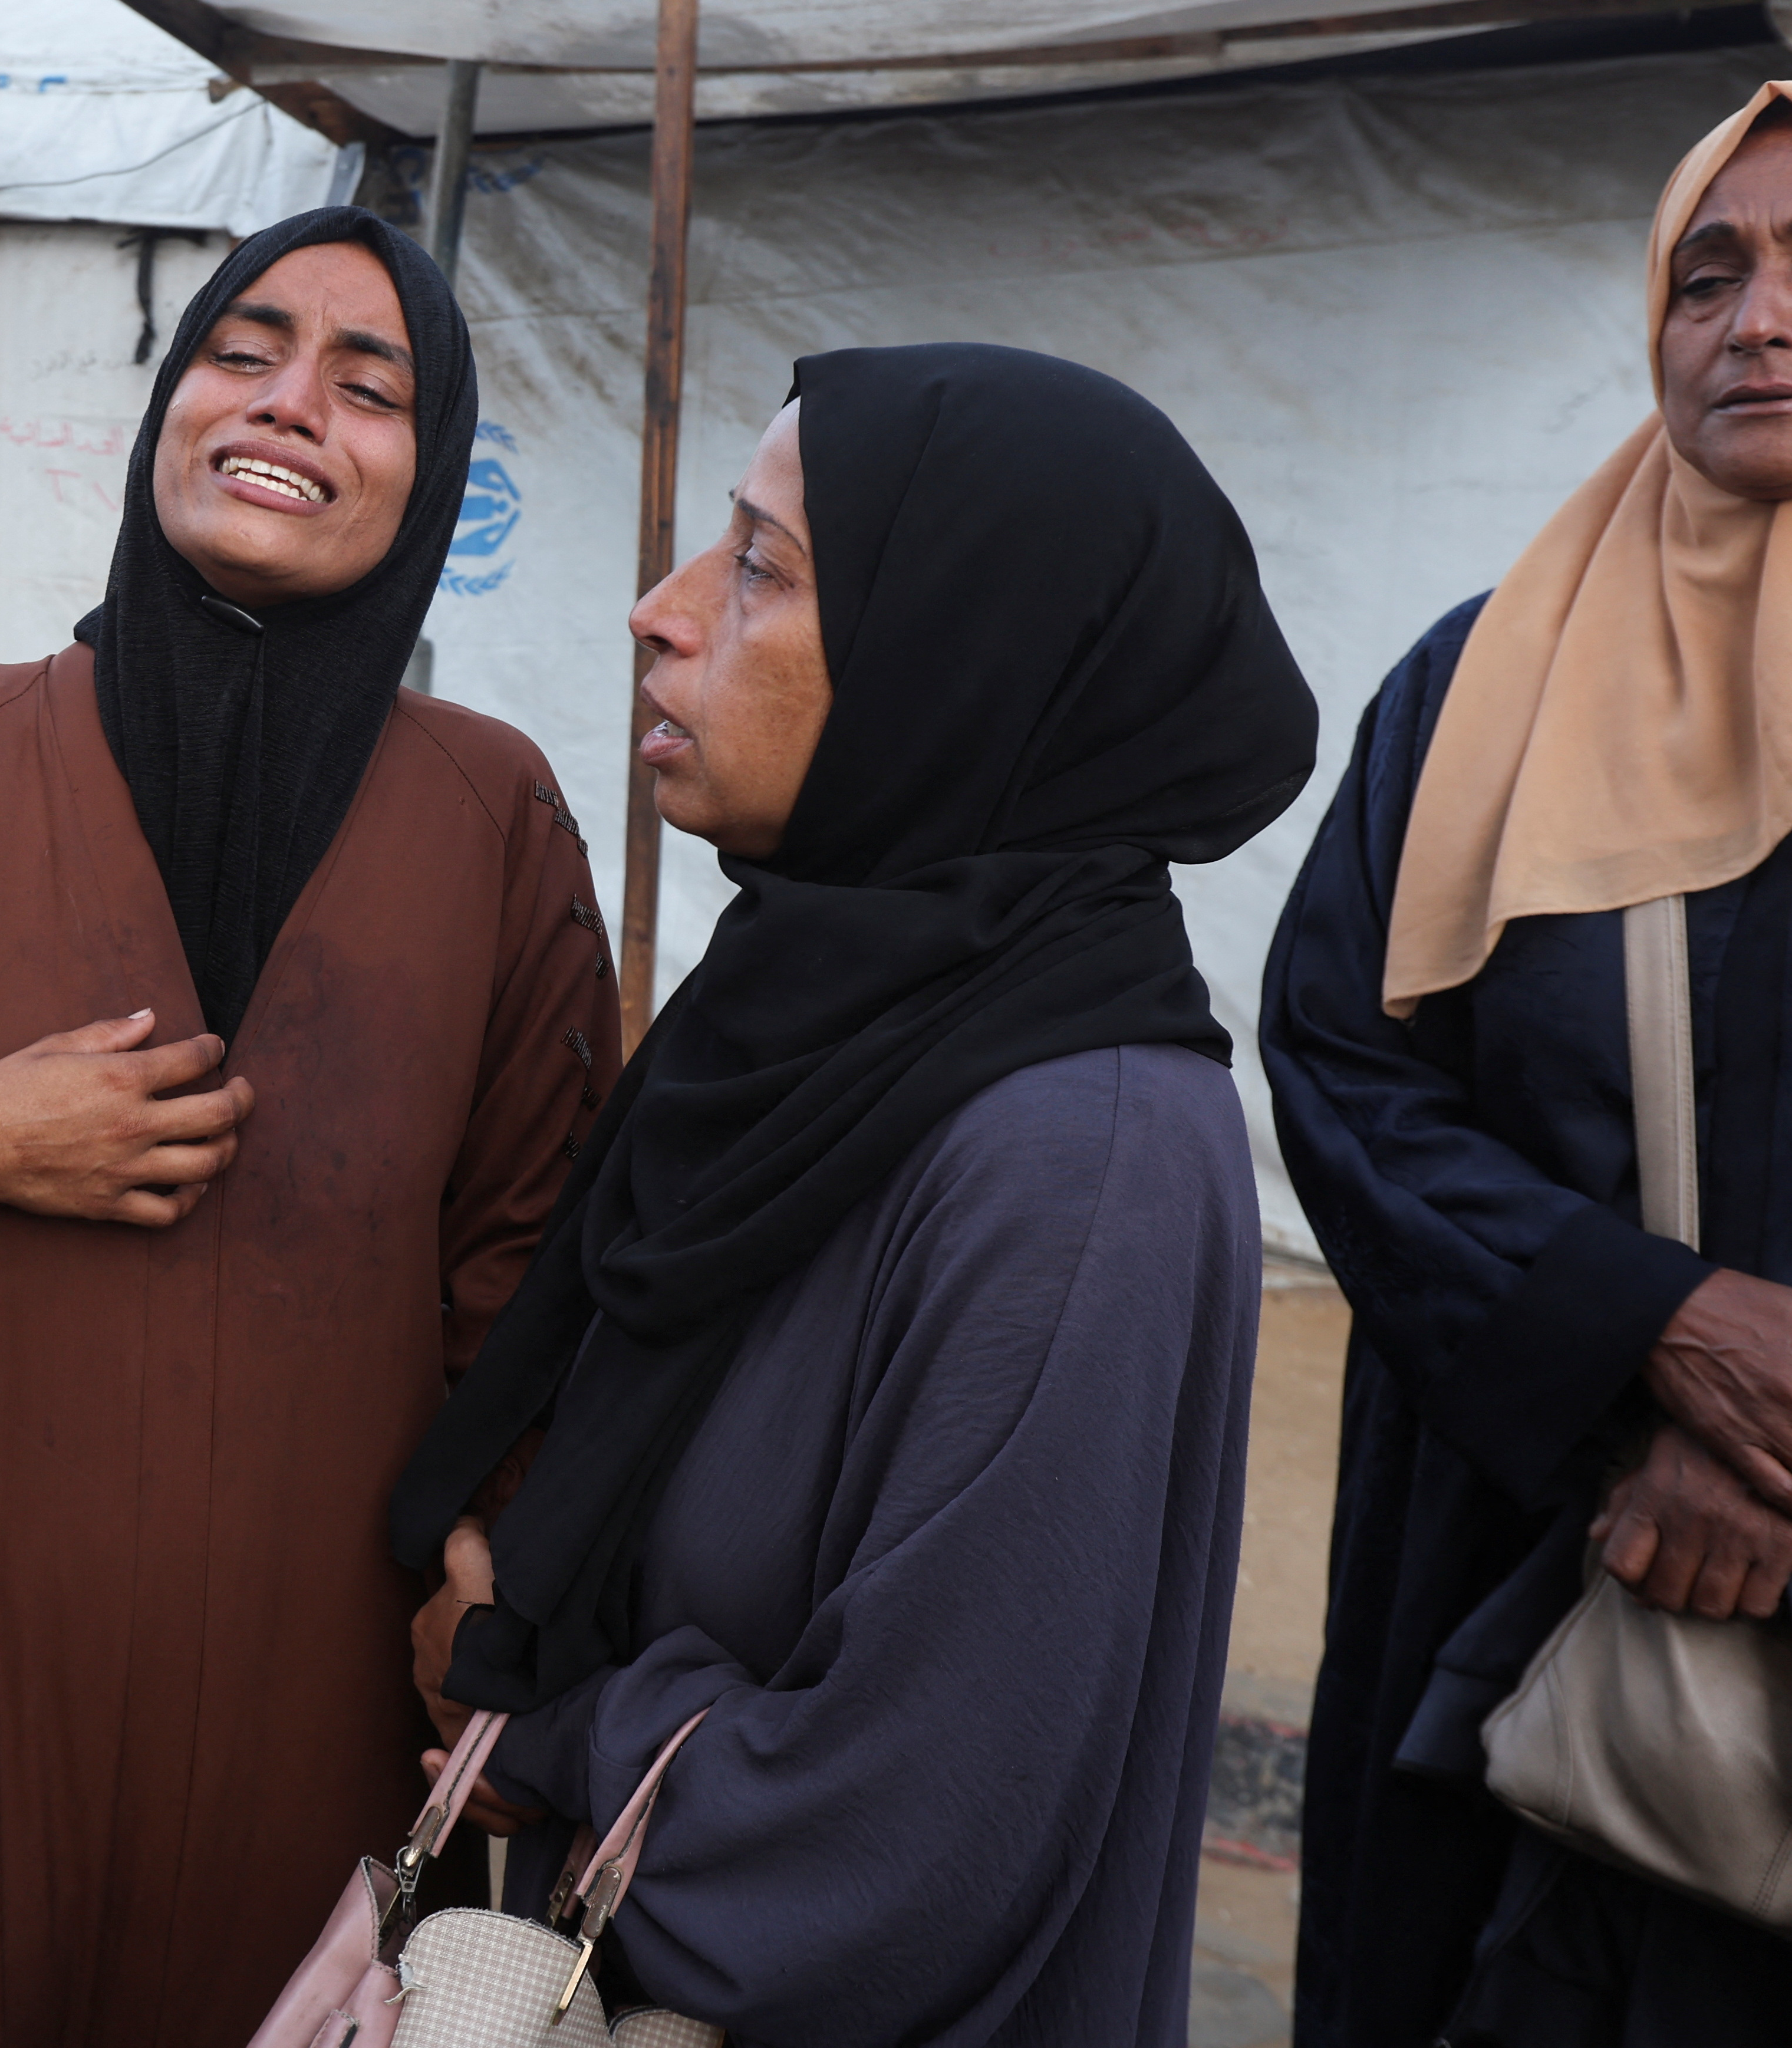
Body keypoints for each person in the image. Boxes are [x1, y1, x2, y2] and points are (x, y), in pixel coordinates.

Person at [0, 206, 621, 2045]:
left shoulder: (491, 821)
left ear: (427, 483)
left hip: (313, 1723)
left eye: (372, 388)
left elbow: (532, 1282)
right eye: (241, 349)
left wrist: (488, 1609)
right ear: (164, 405)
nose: (289, 405)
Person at [388, 345, 1316, 2044]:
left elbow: (910, 1842)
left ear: (960, 656)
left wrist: (560, 1726)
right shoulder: (818, 1010)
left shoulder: (1072, 1155)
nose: (658, 612)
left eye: (758, 567)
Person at [1265, 72, 1792, 2047]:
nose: (1758, 320)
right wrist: (1647, 1341)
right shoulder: (1491, 677)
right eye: (1702, 275)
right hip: (1529, 1542)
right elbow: (1342, 1060)